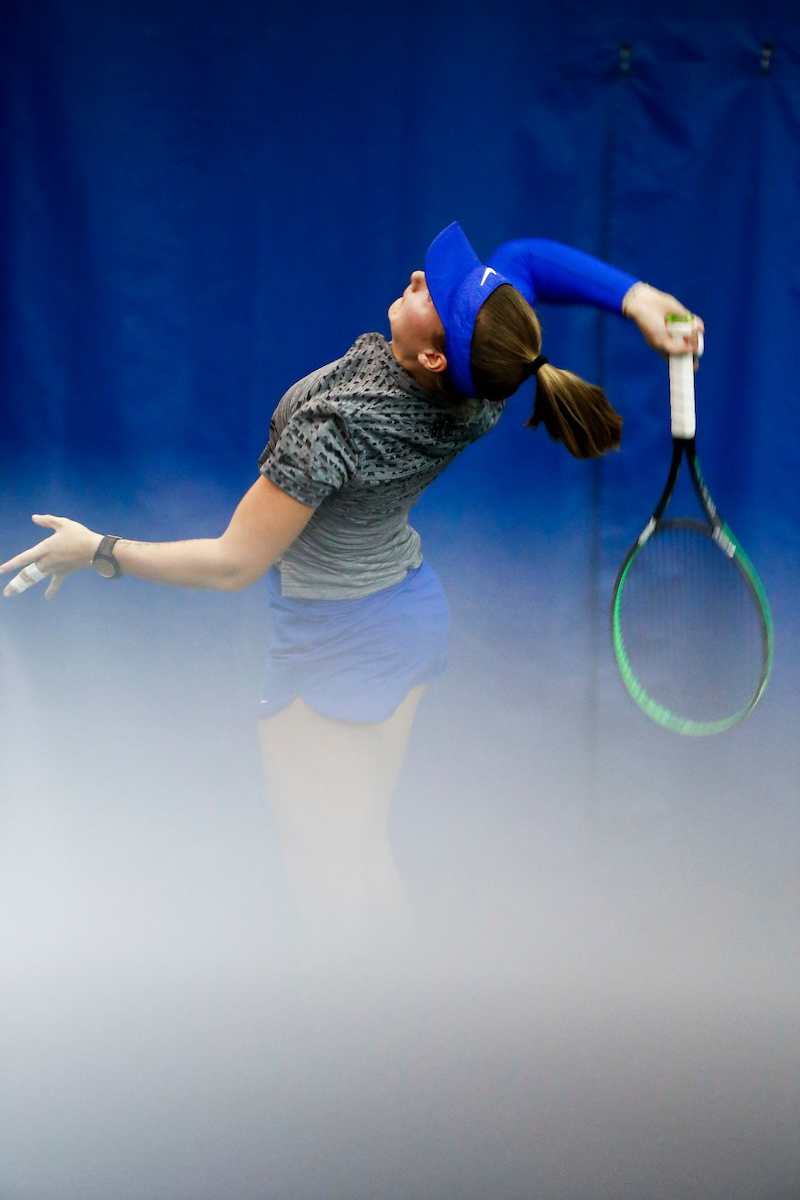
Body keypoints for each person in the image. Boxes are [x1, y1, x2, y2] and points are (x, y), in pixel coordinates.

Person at [1, 223, 703, 944]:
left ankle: (358, 1017)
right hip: (405, 614)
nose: (421, 277)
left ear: (433, 357)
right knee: (361, 858)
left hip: (338, 642)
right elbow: (522, 260)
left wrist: (98, 550)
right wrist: (640, 298)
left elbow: (234, 563)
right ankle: (394, 1012)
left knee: (325, 884)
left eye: (436, 294)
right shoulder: (491, 376)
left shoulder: (337, 428)